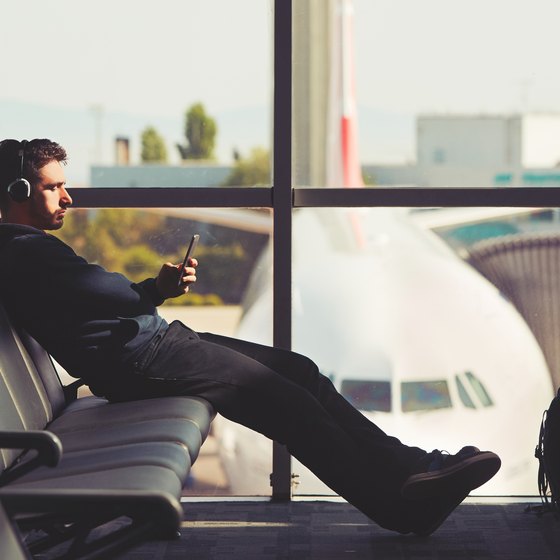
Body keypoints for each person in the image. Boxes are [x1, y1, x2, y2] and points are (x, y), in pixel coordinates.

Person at [0, 138, 501, 535]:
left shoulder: (28, 249)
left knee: (300, 370)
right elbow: (107, 292)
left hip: (154, 347)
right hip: (143, 360)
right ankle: (400, 507)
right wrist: (157, 287)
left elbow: (101, 297)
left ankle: (410, 466)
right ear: (18, 191)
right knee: (289, 403)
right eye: (53, 187)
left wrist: (149, 294)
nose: (69, 197)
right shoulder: (25, 251)